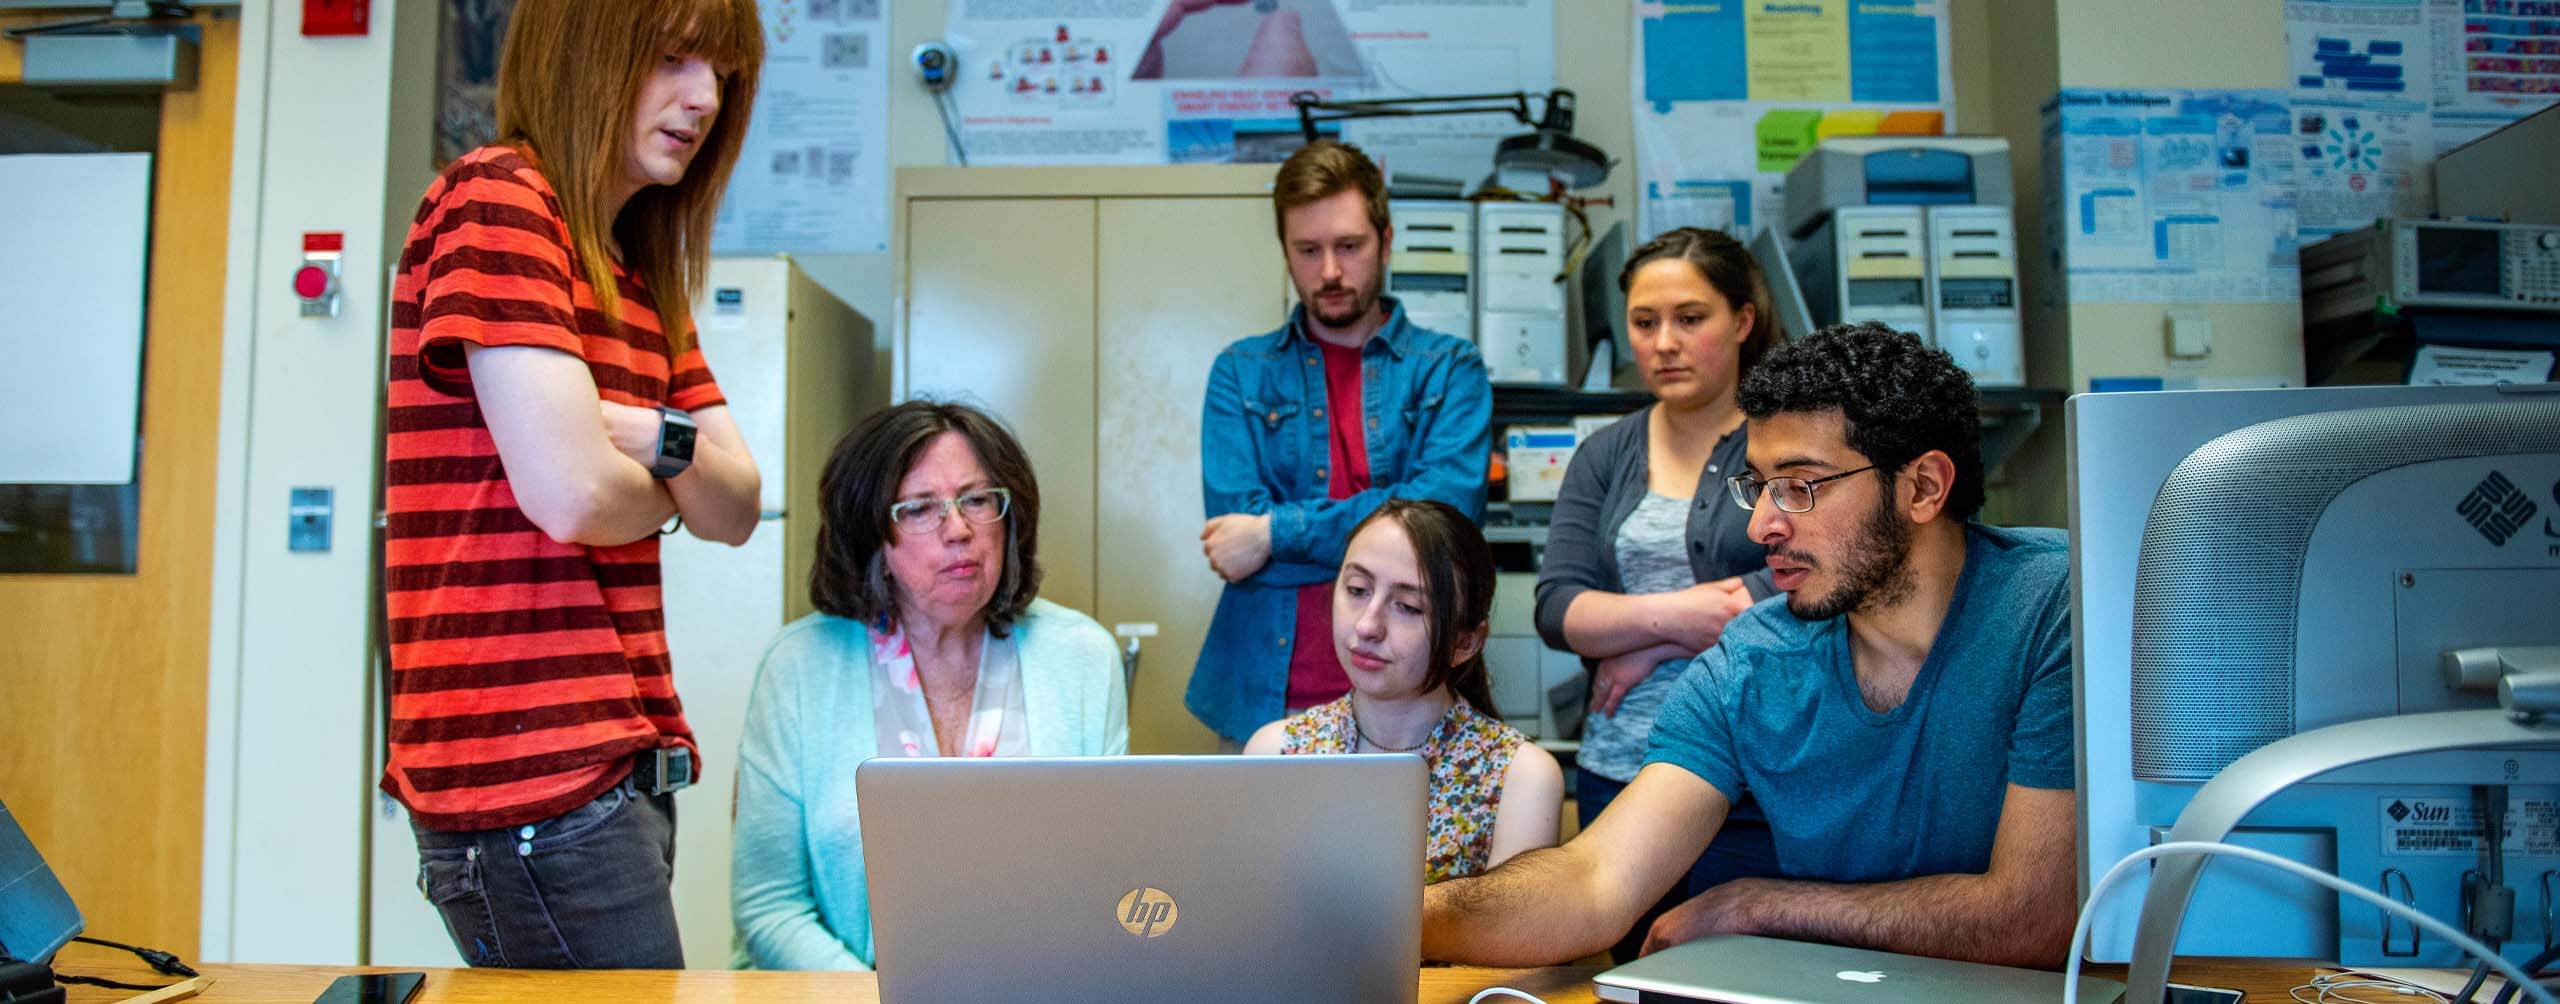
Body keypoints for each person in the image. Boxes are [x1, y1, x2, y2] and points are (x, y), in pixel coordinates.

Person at [1423, 322, 2079, 969]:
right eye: (1759, 485)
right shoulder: (1751, 660)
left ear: (1924, 487)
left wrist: (1761, 907)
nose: (1763, 523)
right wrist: (1387, 918)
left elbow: (2035, 918)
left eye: (1801, 486)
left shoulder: (2057, 605)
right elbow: (1594, 882)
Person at [381, 0, 765, 969]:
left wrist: (649, 439)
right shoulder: (501, 199)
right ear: (590, 50)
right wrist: (669, 474)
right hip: (531, 776)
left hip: (613, 768)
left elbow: (740, 505)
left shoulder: (635, 268)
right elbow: (576, 495)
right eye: (674, 58)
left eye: (719, 71)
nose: (704, 97)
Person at [732, 400, 1129, 971]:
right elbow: (769, 908)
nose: (960, 530)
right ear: (874, 540)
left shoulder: (1083, 656)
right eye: (919, 509)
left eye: (978, 500)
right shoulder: (798, 667)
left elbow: (1111, 876)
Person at [1534, 227, 1786, 962]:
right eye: (1645, 323)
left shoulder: (1786, 442)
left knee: (1745, 973)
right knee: (1631, 971)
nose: (1664, 342)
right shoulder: (1605, 453)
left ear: (1742, 321)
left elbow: (1805, 584)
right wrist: (1679, 621)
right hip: (1621, 769)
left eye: (1690, 317)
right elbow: (1557, 608)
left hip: (1755, 781)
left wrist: (1639, 648)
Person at [1191, 138, 1493, 748]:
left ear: (1385, 241)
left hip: (1412, 709)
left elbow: (1448, 523)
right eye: (1308, 250)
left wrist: (1274, 535)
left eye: (1349, 247)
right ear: (1286, 253)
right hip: (1262, 704)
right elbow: (1232, 545)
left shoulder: (1450, 368)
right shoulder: (1239, 371)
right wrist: (1392, 536)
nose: (1329, 271)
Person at [1244, 499, 1562, 883]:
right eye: (1357, 589)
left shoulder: (1520, 777)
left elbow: (1508, 937)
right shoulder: (1277, 752)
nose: (1367, 625)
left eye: (1408, 607)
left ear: (1465, 642)